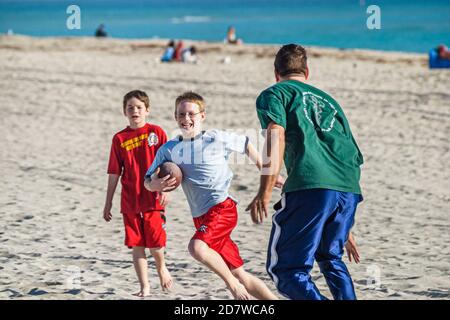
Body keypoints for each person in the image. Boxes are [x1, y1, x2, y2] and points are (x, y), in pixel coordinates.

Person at [247, 44, 363, 300]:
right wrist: (344, 218)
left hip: (309, 187)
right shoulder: (330, 101)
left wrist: (264, 191)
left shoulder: (275, 93)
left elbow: (276, 137)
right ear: (306, 72)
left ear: (276, 72)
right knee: (331, 257)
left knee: (286, 270)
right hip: (347, 190)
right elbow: (350, 155)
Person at [144, 92, 280, 300]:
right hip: (200, 216)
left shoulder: (215, 137)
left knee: (196, 248)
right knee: (241, 274)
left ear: (202, 116)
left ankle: (232, 287)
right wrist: (156, 184)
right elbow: (147, 181)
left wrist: (265, 169)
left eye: (191, 114)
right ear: (175, 116)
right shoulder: (169, 149)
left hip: (222, 208)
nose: (186, 119)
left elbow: (245, 144)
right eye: (181, 114)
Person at [103, 90, 173, 297]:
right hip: (130, 200)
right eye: (130, 108)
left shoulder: (157, 132)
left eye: (139, 107)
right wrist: (108, 203)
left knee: (155, 243)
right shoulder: (119, 138)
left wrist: (167, 189)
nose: (135, 111)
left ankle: (161, 268)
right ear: (124, 112)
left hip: (153, 198)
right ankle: (144, 286)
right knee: (137, 245)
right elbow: (115, 172)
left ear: (147, 110)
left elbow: (170, 165)